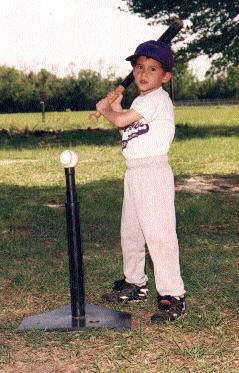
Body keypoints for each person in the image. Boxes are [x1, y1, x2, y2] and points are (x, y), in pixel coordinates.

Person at [96, 40, 186, 323]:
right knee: (131, 232)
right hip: (134, 170)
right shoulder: (139, 101)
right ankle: (135, 282)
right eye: (139, 67)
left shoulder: (157, 99)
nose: (143, 73)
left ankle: (173, 295)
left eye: (152, 68)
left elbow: (121, 122)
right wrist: (119, 106)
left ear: (165, 76)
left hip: (153, 172)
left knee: (159, 235)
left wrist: (107, 110)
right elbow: (128, 134)